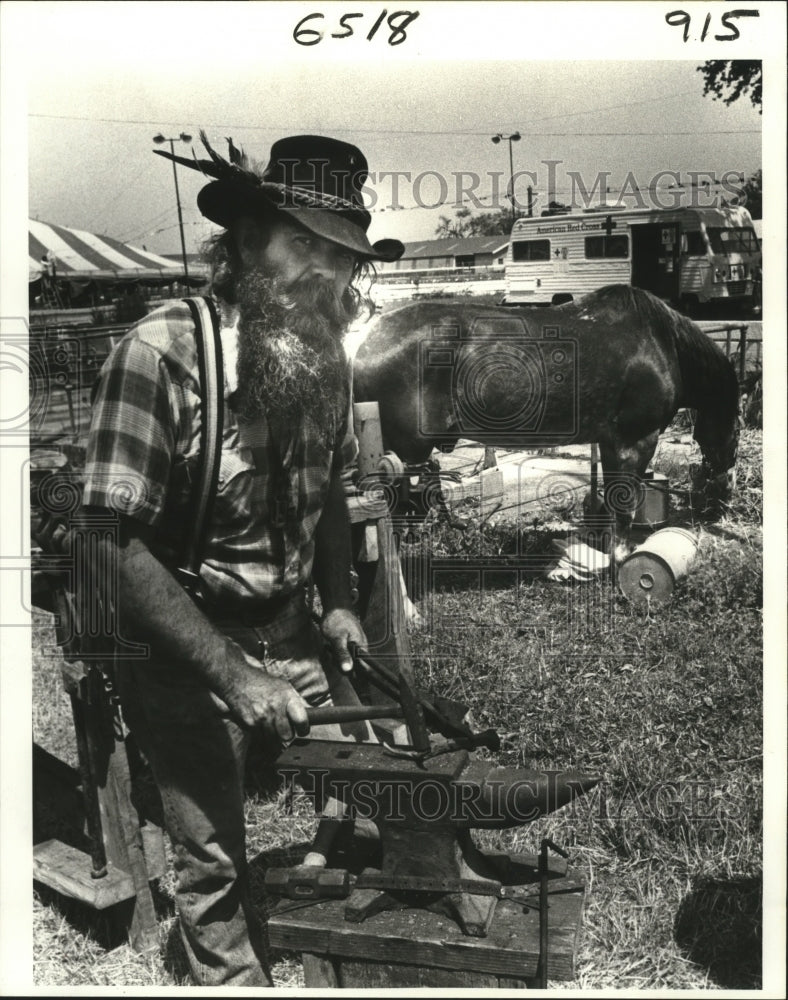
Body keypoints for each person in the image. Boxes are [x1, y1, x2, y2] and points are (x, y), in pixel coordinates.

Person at [79, 133, 403, 986]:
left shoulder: (325, 354)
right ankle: (225, 970)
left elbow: (331, 489)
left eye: (341, 257)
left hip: (291, 624)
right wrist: (234, 676)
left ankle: (349, 933)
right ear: (248, 238)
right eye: (303, 244)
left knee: (383, 776)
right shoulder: (163, 354)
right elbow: (109, 547)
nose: (323, 274)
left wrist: (337, 602)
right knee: (215, 852)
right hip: (185, 639)